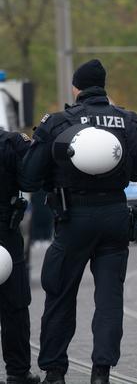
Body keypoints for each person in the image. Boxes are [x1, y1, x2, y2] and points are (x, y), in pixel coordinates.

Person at [22, 59, 137, 384]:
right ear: (103, 87)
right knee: (109, 298)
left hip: (74, 216)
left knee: (60, 292)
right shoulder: (129, 121)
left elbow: (30, 176)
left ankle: (54, 371)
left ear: (76, 89)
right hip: (115, 217)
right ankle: (101, 373)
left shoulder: (59, 122)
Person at [0, 130, 41, 384]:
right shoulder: (12, 142)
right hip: (5, 231)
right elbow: (31, 182)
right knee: (14, 303)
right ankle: (17, 372)